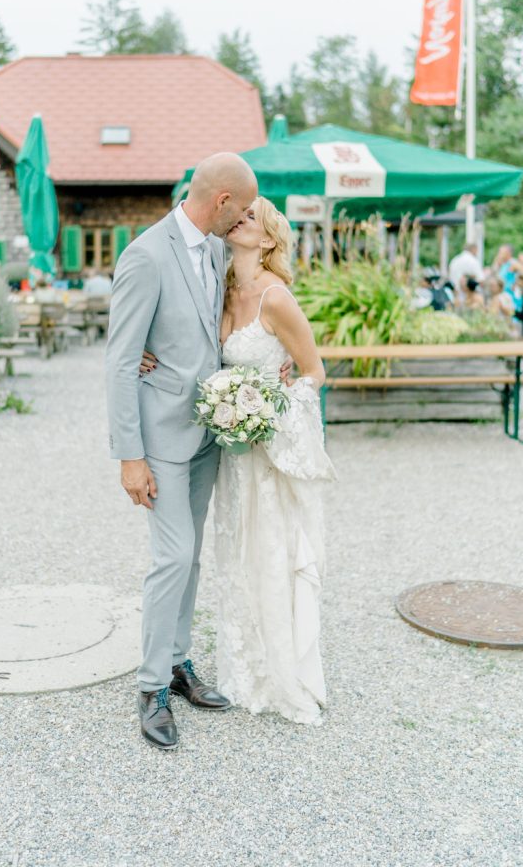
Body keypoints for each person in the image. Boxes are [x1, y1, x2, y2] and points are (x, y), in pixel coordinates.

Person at [105, 152, 259, 750]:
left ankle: (176, 661)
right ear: (220, 201)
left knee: (191, 555)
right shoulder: (145, 253)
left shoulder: (219, 250)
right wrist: (129, 456)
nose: (244, 219)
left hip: (208, 434)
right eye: (241, 209)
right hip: (160, 438)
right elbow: (121, 358)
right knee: (171, 558)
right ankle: (150, 689)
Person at [213, 197, 336, 725]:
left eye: (250, 218)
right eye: (236, 215)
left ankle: (281, 672)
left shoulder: (275, 298)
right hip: (231, 455)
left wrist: (268, 411)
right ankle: (244, 665)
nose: (239, 219)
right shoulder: (219, 286)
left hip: (267, 449)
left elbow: (314, 372)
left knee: (271, 550)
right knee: (237, 551)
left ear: (267, 240)